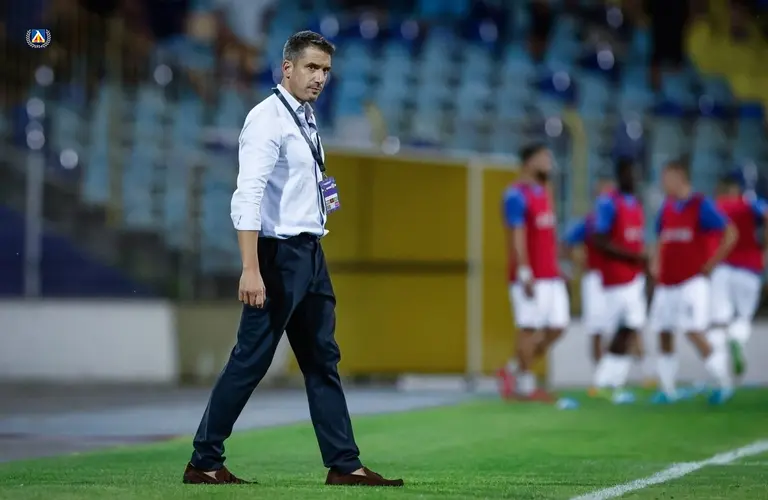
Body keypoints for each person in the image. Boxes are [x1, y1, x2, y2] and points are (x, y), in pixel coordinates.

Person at [183, 31, 403, 487]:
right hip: (277, 255)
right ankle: (204, 461)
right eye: (311, 67)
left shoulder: (304, 117)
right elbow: (248, 195)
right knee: (250, 361)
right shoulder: (267, 119)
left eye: (325, 70)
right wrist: (251, 268)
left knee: (323, 359)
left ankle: (344, 465)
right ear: (287, 68)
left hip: (309, 254)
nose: (320, 77)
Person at [648, 160, 738, 405]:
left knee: (693, 330)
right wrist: (656, 261)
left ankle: (723, 382)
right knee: (664, 331)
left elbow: (731, 233)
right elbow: (661, 237)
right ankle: (667, 389)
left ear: (680, 178)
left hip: (691, 281)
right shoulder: (667, 207)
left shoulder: (701, 205)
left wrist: (712, 263)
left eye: (667, 179)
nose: (664, 184)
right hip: (667, 282)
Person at [497, 143, 569, 401]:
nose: (549, 163)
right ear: (529, 162)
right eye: (544, 158)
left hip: (551, 274)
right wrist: (524, 271)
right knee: (528, 328)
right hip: (531, 275)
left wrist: (558, 264)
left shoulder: (546, 192)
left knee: (558, 327)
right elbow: (518, 236)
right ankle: (526, 387)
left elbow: (548, 234)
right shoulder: (515, 195)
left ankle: (512, 370)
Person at [588, 157, 647, 404]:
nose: (633, 178)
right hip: (616, 276)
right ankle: (604, 382)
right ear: (620, 175)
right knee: (621, 328)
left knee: (629, 327)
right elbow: (599, 240)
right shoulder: (609, 203)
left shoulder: (636, 204)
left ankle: (610, 382)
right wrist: (633, 256)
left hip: (634, 276)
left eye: (636, 173)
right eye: (629, 173)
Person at [710, 168, 768, 379]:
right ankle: (737, 338)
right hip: (749, 267)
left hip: (722, 268)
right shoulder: (752, 204)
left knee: (719, 319)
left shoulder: (717, 206)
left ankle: (718, 372)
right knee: (743, 317)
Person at [562, 177, 614, 376]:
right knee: (596, 329)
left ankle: (618, 371)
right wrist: (578, 261)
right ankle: (601, 374)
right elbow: (566, 244)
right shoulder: (590, 222)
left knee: (622, 328)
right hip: (595, 279)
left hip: (618, 280)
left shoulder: (620, 219)